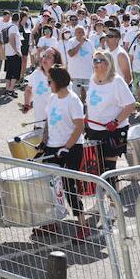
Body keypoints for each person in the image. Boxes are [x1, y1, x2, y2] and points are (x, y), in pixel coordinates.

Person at [38, 66, 91, 240]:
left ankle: (82, 225)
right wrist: (44, 141)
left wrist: (67, 147)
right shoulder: (52, 98)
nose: (48, 84)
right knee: (49, 186)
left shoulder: (72, 100)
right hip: (53, 146)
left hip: (71, 148)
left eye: (50, 81)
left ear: (58, 82)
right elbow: (48, 121)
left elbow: (79, 126)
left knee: (69, 187)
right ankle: (52, 222)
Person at [84, 49, 136, 175]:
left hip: (113, 131)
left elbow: (130, 104)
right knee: (97, 168)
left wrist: (115, 122)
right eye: (94, 60)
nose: (95, 63)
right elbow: (90, 103)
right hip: (94, 129)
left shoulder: (116, 81)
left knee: (109, 169)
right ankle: (103, 194)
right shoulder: (92, 79)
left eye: (98, 60)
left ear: (107, 63)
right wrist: (86, 118)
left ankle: (113, 194)